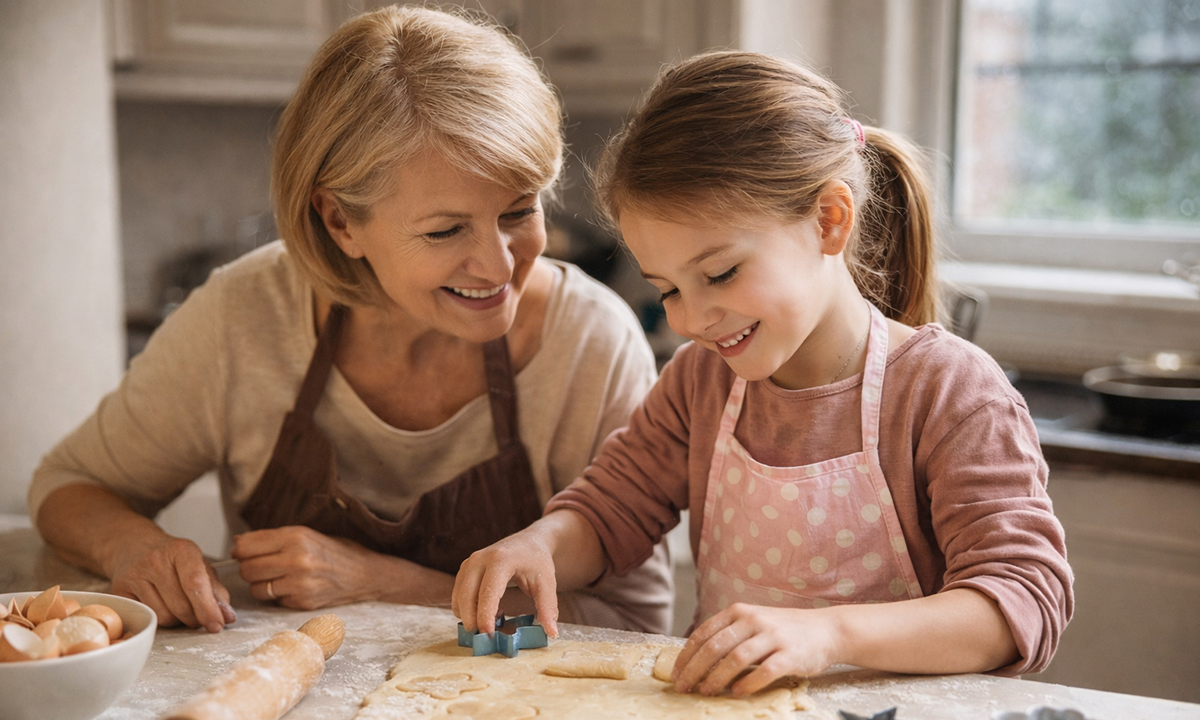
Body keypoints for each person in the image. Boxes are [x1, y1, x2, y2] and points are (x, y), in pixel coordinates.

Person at [28, 5, 673, 637]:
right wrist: (133, 546)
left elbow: (635, 626)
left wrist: (382, 582)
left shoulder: (591, 344)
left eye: (519, 211)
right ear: (340, 222)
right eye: (445, 230)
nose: (501, 264)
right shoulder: (243, 315)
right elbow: (70, 486)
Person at [453, 51, 1073, 695]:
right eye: (668, 289)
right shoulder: (701, 383)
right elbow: (610, 513)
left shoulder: (947, 391)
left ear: (829, 220)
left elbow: (1020, 601)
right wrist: (541, 545)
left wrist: (828, 635)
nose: (692, 319)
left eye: (720, 274)